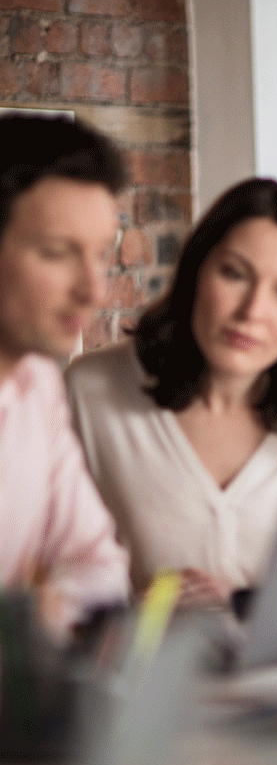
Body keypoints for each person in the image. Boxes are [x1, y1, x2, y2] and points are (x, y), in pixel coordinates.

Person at [65, 178, 277, 604]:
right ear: (196, 271)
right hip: (143, 667)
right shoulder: (93, 391)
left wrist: (245, 603)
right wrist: (136, 610)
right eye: (234, 274)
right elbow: (42, 573)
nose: (252, 312)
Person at [0, 112, 129, 640]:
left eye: (100, 255)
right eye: (57, 253)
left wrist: (37, 611)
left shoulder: (39, 388)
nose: (94, 291)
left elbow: (102, 569)